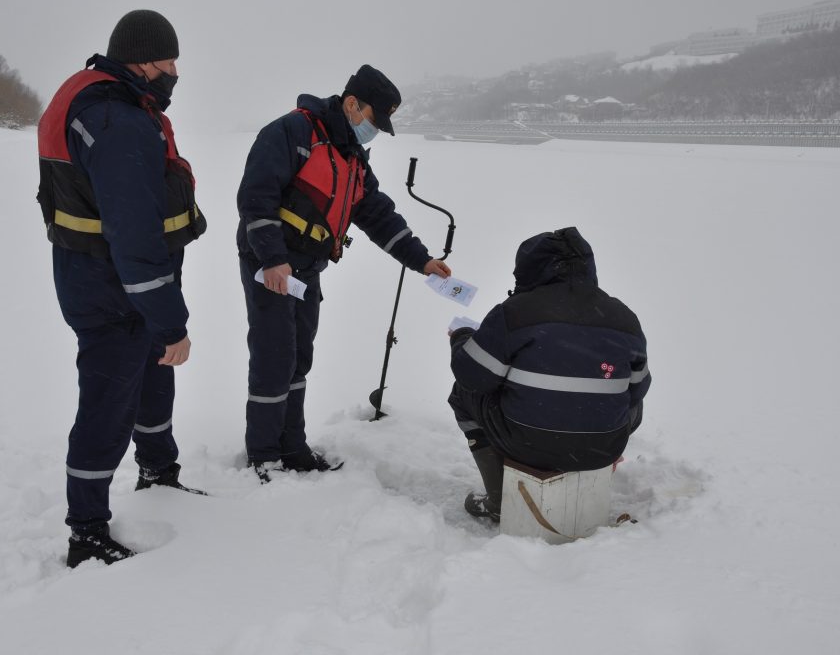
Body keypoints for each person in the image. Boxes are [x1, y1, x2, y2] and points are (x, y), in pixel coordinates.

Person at [36, 10, 207, 567]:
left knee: (153, 382)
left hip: (113, 283)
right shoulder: (117, 121)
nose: (175, 71)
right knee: (107, 405)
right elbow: (133, 234)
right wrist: (171, 321)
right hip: (113, 290)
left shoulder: (109, 102)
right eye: (168, 60)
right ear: (140, 59)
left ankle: (158, 472)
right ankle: (86, 530)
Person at [236, 64, 451, 482]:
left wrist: (421, 259)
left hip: (307, 269)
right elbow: (255, 200)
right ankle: (263, 455)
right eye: (373, 120)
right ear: (352, 104)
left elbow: (377, 214)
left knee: (299, 357)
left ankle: (292, 446)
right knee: (274, 357)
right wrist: (272, 260)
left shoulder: (352, 156)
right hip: (270, 264)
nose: (374, 130)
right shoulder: (290, 133)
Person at [447, 227, 650, 522]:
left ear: (528, 270)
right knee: (630, 397)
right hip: (603, 446)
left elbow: (472, 377)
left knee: (462, 394)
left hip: (528, 445)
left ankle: (499, 500)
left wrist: (462, 336)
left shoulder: (514, 313)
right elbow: (638, 390)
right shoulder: (624, 318)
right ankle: (590, 465)